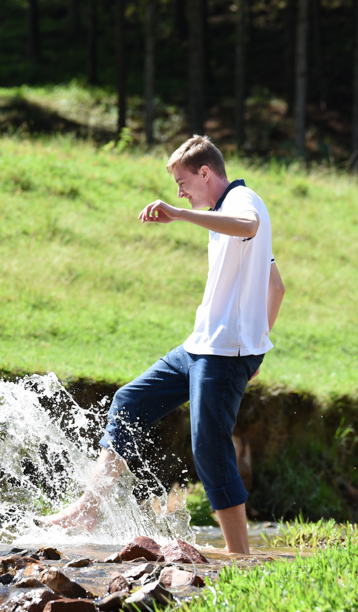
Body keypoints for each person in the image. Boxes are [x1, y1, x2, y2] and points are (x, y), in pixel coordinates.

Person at [40, 135, 286, 555]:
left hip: (224, 352)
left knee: (209, 446)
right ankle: (88, 510)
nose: (180, 193)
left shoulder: (242, 200)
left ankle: (239, 556)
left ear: (205, 172)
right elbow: (276, 286)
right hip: (200, 347)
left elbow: (249, 227)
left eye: (182, 183)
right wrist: (258, 342)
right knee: (129, 401)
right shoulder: (222, 212)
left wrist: (180, 214)